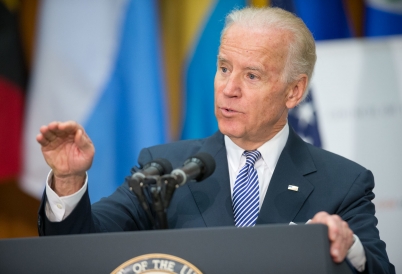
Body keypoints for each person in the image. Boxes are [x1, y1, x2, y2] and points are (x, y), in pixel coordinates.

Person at [36, 7, 394, 273]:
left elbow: (379, 268)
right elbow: (80, 248)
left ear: (294, 91)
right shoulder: (163, 170)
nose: (229, 89)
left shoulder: (343, 182)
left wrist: (351, 248)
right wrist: (68, 180)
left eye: (251, 76)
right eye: (224, 68)